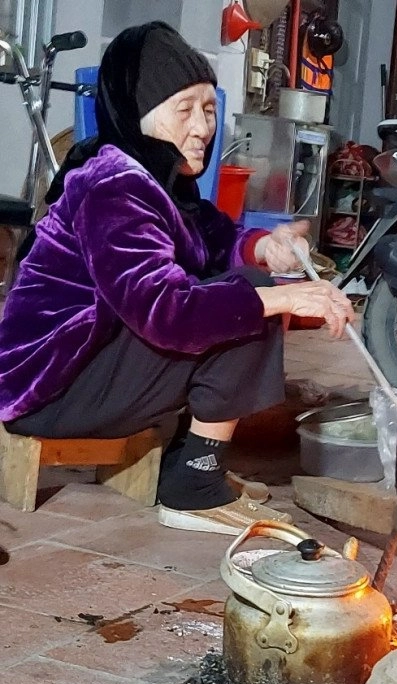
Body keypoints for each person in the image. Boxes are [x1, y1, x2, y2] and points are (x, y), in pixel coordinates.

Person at [0, 22, 355, 536]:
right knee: (247, 304)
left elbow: (214, 242)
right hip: (49, 390)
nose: (203, 127)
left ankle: (193, 465)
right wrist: (284, 296)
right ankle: (194, 486)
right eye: (184, 109)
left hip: (81, 371)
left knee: (247, 284)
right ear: (137, 115)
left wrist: (265, 246)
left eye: (209, 109)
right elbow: (166, 314)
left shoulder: (155, 179)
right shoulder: (114, 187)